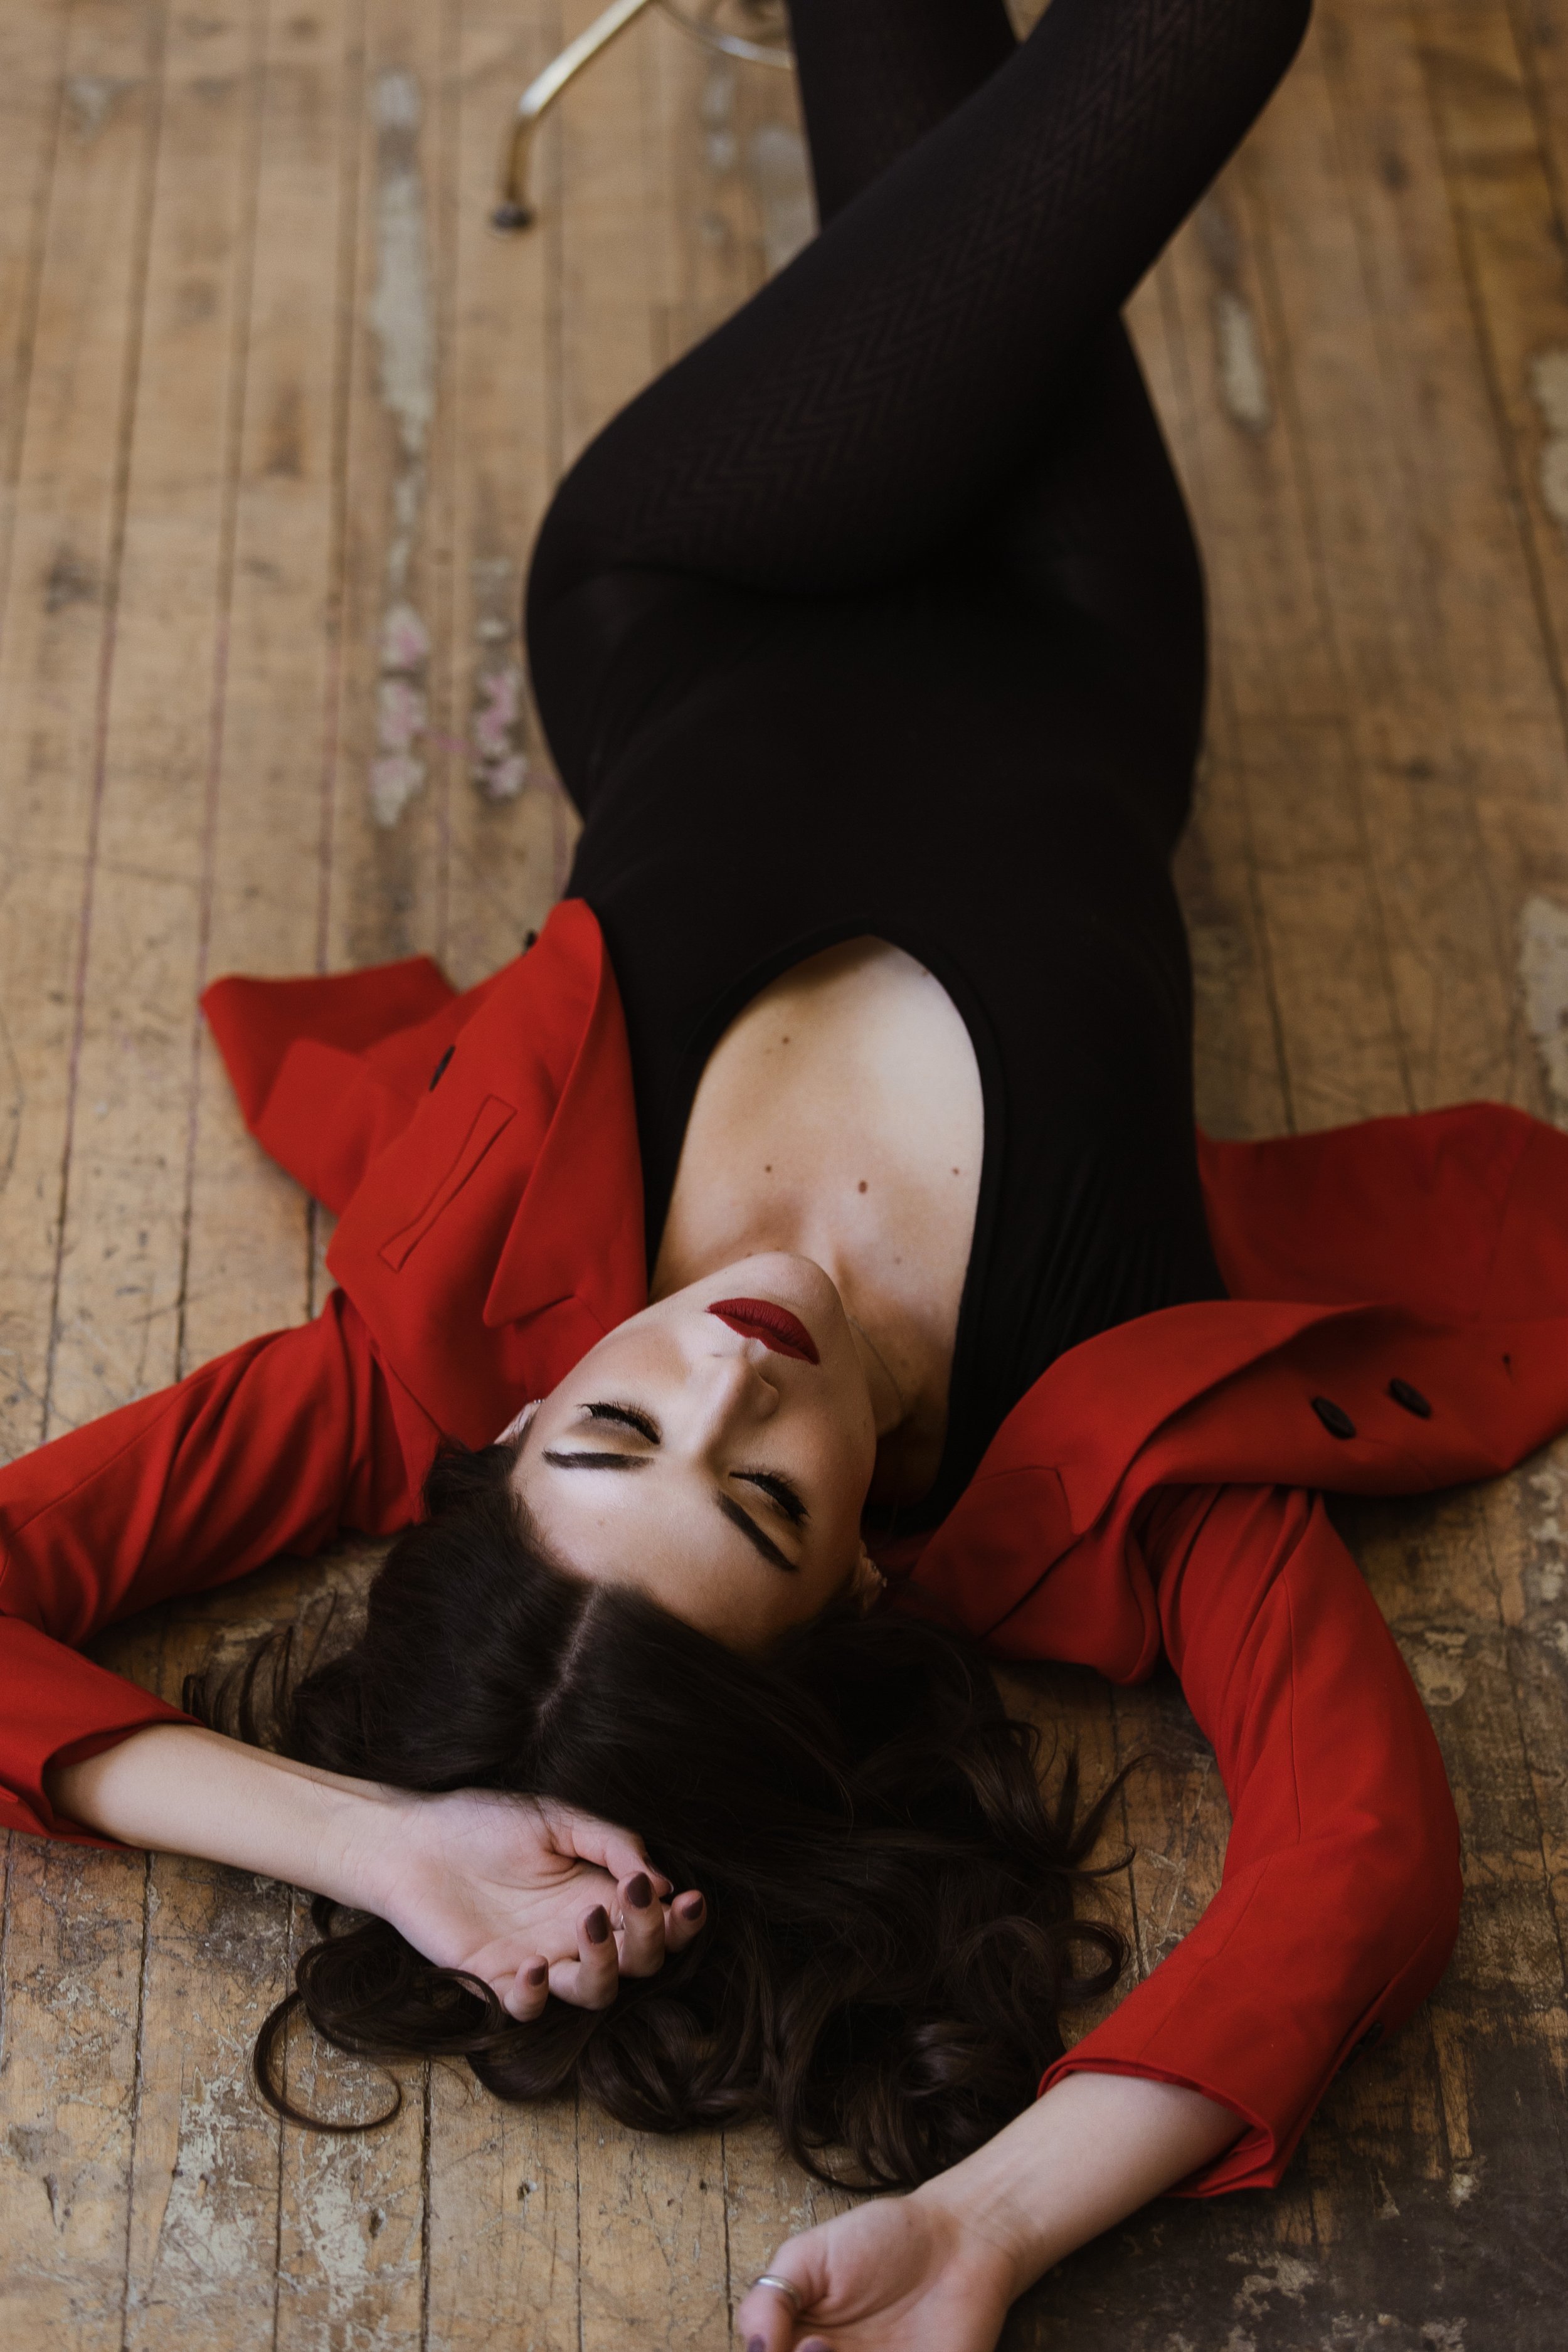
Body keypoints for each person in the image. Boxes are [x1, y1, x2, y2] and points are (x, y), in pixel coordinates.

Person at [5, 1, 1568, 2345]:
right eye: (758, 1494)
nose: (726, 1376)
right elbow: (1359, 1859)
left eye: (622, 1425)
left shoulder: (428, 1352)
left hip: (697, 571)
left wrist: (378, 1846)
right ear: (858, 1578)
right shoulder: (1106, 1464)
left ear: (528, 1424)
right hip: (1071, 627)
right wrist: (997, 2220)